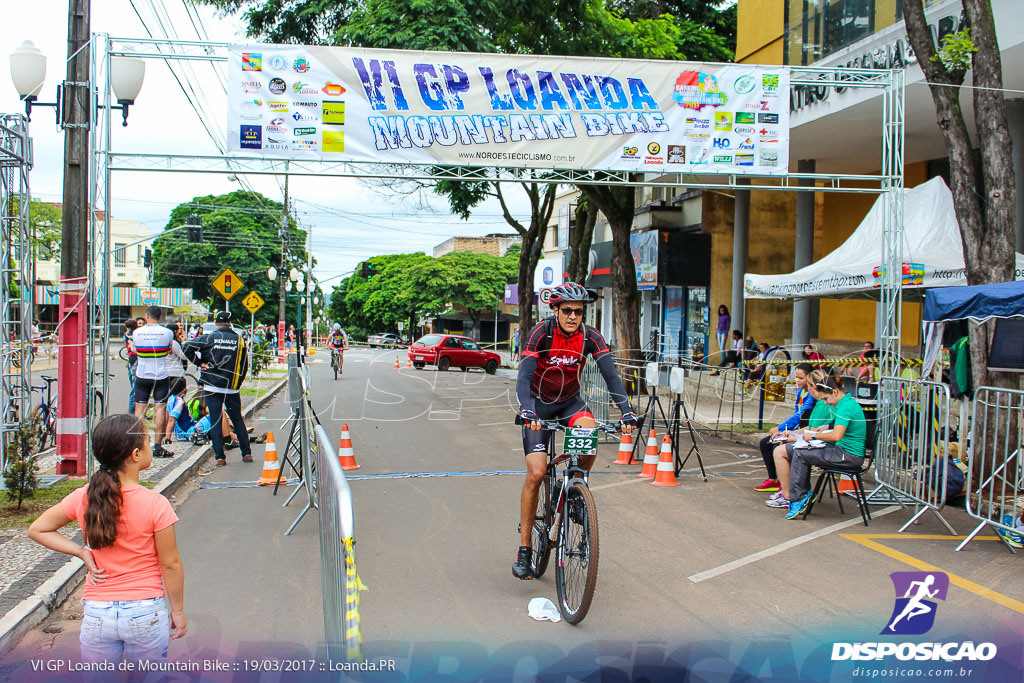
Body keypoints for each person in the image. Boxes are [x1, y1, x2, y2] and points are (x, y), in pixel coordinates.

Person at [27, 414, 186, 666]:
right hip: (144, 610)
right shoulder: (156, 503)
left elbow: (38, 529)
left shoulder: (85, 496)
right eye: (147, 440)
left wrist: (82, 552)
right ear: (136, 455)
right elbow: (171, 564)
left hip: (97, 612)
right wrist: (177, 610)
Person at [512, 282, 638, 580]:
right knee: (536, 472)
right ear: (554, 310)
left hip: (570, 403)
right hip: (538, 406)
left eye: (578, 312)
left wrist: (627, 411)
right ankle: (525, 547)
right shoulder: (541, 333)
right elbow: (524, 378)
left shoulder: (589, 337)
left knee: (589, 433)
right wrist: (528, 411)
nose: (573, 316)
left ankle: (576, 485)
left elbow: (611, 376)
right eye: (566, 310)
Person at [772, 375, 867, 519]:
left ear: (835, 392)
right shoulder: (846, 403)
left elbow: (836, 436)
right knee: (802, 451)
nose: (825, 402)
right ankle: (802, 494)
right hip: (844, 451)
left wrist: (814, 436)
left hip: (848, 455)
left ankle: (799, 497)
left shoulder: (845, 407)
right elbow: (843, 425)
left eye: (825, 399)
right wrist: (826, 426)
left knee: (801, 453)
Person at [182, 311, 251, 467]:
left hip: (212, 384)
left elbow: (187, 346)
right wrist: (238, 382)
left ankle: (220, 456)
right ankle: (246, 452)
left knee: (215, 419)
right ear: (230, 322)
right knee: (237, 419)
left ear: (216, 323)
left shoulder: (210, 337)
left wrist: (200, 363)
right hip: (231, 387)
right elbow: (244, 364)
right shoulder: (239, 340)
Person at [755, 364, 818, 493]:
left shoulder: (813, 396)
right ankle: (773, 480)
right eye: (796, 377)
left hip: (804, 431)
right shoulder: (801, 391)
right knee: (765, 442)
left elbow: (800, 416)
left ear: (810, 378)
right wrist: (784, 430)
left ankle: (788, 487)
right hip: (796, 429)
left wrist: (780, 428)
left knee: (778, 447)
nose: (798, 380)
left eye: (801, 378)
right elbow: (796, 412)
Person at [131, 306, 175, 458]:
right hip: (161, 375)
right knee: (160, 409)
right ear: (161, 317)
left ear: (146, 316)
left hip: (142, 374)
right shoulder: (167, 332)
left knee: (139, 411)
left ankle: (137, 445)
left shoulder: (136, 332)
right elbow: (169, 349)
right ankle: (157, 446)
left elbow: (136, 351)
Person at [123, 319, 139, 414]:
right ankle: (132, 410)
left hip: (131, 360)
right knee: (135, 388)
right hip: (136, 360)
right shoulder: (134, 335)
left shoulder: (126, 335)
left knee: (133, 385)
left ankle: (132, 409)